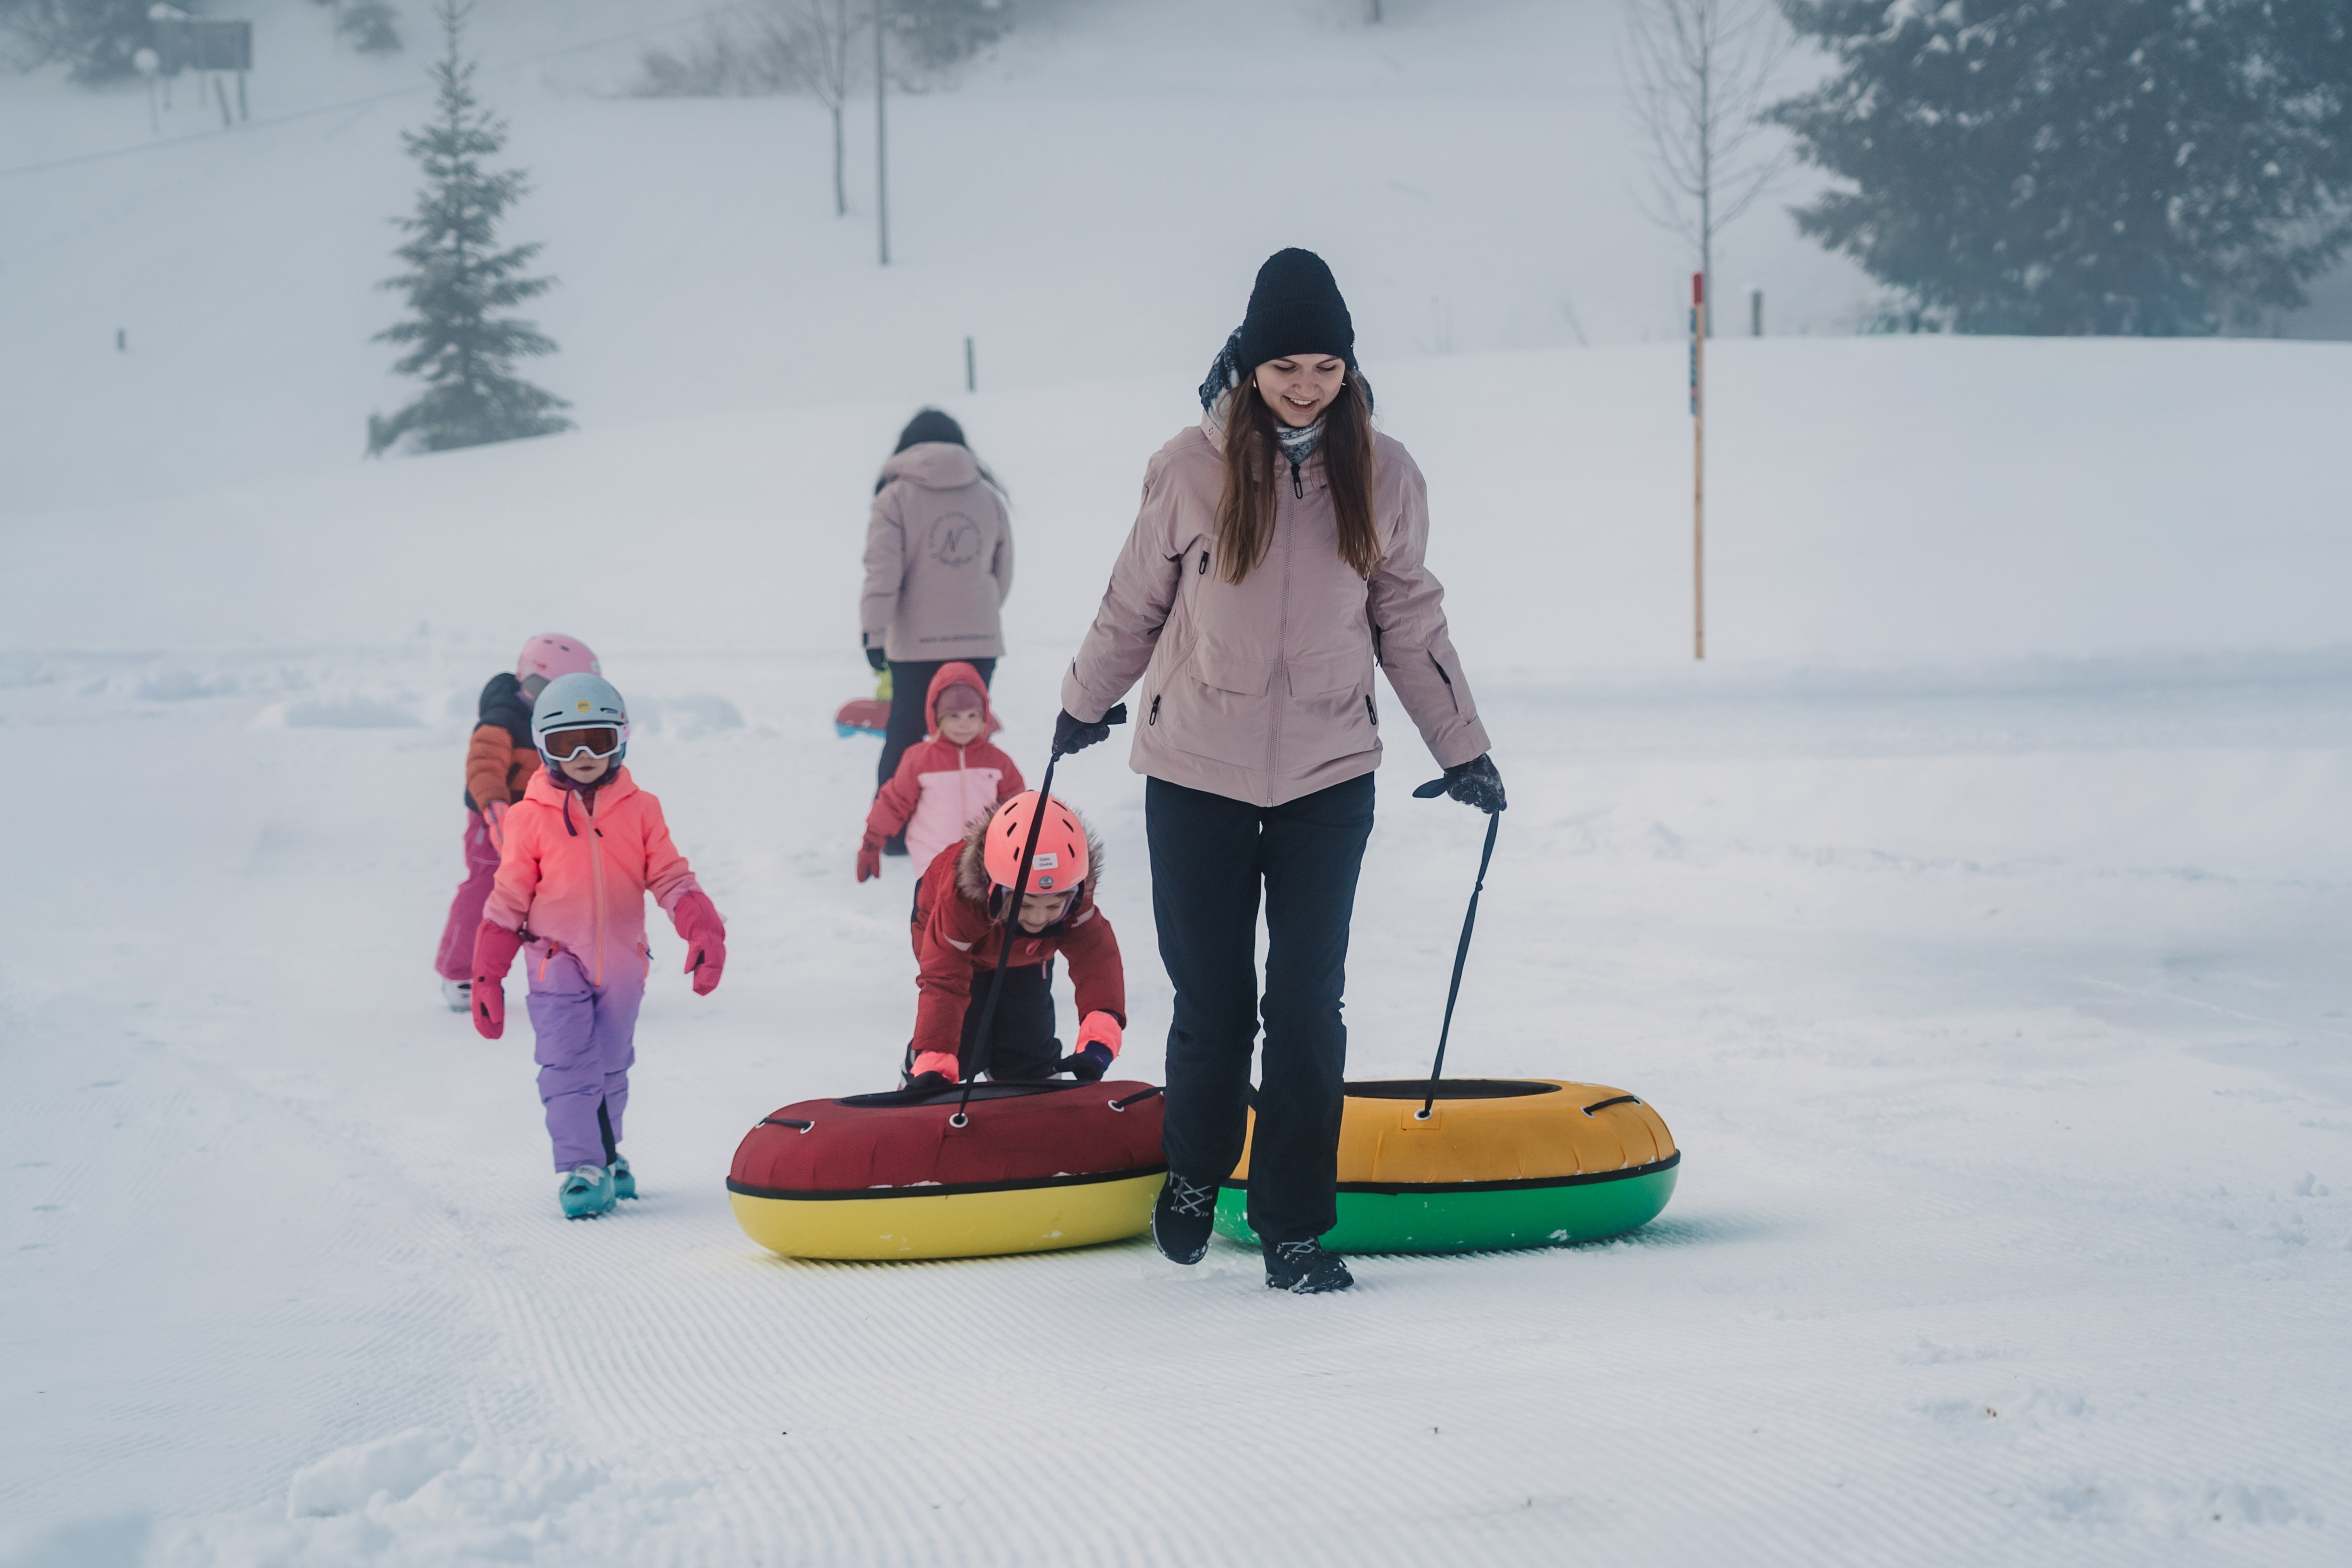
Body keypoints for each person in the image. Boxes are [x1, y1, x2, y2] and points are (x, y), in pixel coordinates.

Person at [1055, 248, 1506, 1294]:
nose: (1306, 386)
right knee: (1215, 1001)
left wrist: (1463, 748)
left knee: (1307, 1007)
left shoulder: (1384, 473)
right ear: (1249, 366)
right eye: (1285, 367)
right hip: (1195, 770)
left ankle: (1294, 1226)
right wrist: (1081, 702)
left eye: (1324, 367)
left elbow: (1408, 620)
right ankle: (1195, 1170)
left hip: (1326, 773)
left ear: (1349, 367)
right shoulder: (1188, 468)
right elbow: (1132, 603)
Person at [467, 673, 729, 1220]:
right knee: (567, 1064)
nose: (583, 756)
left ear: (621, 740)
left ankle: (608, 1154)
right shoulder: (528, 817)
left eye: (598, 741)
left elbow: (671, 877)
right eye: (567, 744)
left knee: (611, 1067)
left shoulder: (641, 809)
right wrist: (488, 974)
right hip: (554, 960)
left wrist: (703, 929)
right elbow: (508, 900)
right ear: (544, 746)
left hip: (624, 963)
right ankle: (581, 1168)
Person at [859, 409, 1014, 851]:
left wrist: (873, 633)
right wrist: (977, 618)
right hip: (980, 641)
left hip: (914, 645)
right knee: (970, 735)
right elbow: (1002, 572)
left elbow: (882, 574)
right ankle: (976, 832)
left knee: (905, 735)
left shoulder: (894, 497)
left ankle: (893, 835)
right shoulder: (987, 497)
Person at [900, 792, 1125, 1091]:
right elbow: (944, 981)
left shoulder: (1075, 903)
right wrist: (935, 1059)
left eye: (1053, 906)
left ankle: (1026, 1087)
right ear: (995, 888)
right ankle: (920, 1071)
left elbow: (1097, 962)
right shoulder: (961, 899)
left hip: (1028, 954)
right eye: (1026, 904)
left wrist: (1099, 1042)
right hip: (959, 952)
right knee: (966, 1036)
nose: (1038, 918)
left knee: (1028, 1040)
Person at [433, 633, 599, 1010]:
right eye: (548, 691)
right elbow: (484, 764)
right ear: (531, 682)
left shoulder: (564, 724)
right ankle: (460, 972)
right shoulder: (504, 718)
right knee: (488, 892)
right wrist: (496, 808)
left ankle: (572, 971)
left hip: (547, 825)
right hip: (495, 823)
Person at [857, 662, 1025, 901]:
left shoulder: (997, 761)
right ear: (937, 717)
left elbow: (1017, 807)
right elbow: (894, 802)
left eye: (972, 715)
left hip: (984, 859)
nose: (964, 724)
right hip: (932, 858)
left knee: (980, 916)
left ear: (984, 717)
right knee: (937, 913)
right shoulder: (919, 759)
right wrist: (872, 841)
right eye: (954, 716)